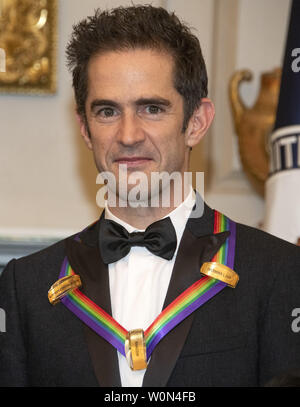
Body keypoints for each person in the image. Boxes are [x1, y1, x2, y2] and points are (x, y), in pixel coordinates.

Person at [1, 5, 300, 387]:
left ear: (196, 122)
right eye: (107, 111)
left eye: (152, 108)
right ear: (85, 128)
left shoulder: (279, 272)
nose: (128, 135)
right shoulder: (25, 287)